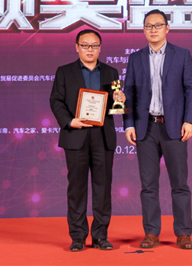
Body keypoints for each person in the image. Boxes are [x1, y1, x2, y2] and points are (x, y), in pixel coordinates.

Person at [123, 9, 192, 250]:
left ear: (167, 28)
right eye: (148, 26)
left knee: (180, 184)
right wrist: (128, 124)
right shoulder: (135, 58)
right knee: (148, 185)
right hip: (145, 128)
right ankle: (151, 233)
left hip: (174, 127)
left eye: (158, 25)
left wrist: (190, 120)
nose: (153, 30)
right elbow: (129, 93)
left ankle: (184, 233)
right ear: (143, 30)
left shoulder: (182, 55)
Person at [49, 29, 125, 252]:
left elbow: (115, 106)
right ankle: (78, 236)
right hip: (76, 134)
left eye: (94, 45)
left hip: (103, 136)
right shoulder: (64, 71)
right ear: (77, 47)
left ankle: (101, 236)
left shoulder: (111, 72)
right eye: (85, 45)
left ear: (100, 48)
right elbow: (56, 101)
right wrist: (69, 121)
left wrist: (120, 99)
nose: (90, 49)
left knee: (103, 188)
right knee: (77, 188)